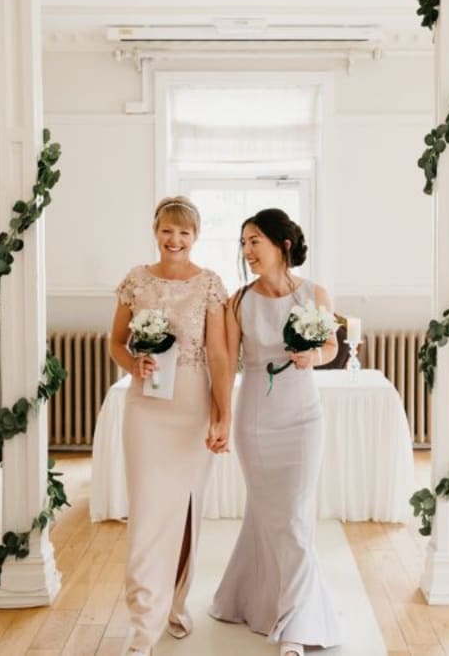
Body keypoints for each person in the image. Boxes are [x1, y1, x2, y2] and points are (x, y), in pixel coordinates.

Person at [210, 208, 342, 656]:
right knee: (271, 515)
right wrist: (223, 419)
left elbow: (330, 345)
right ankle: (261, 601)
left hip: (303, 418)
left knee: (296, 516)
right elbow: (225, 365)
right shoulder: (237, 302)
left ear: (282, 245)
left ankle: (297, 625)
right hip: (256, 421)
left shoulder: (314, 293)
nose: (247, 251)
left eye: (255, 241)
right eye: (244, 243)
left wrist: (314, 358)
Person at [109, 196, 230, 656]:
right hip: (146, 408)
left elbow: (220, 355)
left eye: (183, 232)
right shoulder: (135, 281)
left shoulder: (210, 285)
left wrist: (223, 413)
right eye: (167, 230)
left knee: (184, 511)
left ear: (195, 236)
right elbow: (116, 343)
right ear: (154, 231)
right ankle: (143, 623)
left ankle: (176, 605)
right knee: (145, 513)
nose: (174, 239)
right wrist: (132, 364)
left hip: (192, 405)